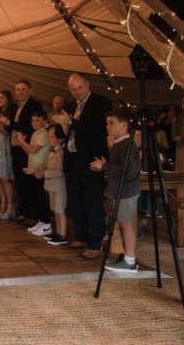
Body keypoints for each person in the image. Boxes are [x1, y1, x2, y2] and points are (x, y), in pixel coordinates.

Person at [52, 73, 112, 260]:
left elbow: (96, 129)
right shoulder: (69, 106)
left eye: (80, 87)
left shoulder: (101, 102)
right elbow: (58, 133)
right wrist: (62, 124)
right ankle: (81, 236)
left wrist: (70, 122)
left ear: (87, 84)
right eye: (73, 89)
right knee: (75, 201)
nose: (77, 91)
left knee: (93, 201)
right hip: (72, 159)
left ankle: (96, 243)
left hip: (92, 160)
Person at [90, 110, 141, 273]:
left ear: (125, 125)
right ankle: (128, 256)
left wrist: (105, 166)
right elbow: (120, 168)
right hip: (120, 191)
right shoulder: (119, 143)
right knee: (124, 224)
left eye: (112, 123)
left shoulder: (127, 144)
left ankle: (130, 261)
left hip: (126, 191)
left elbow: (129, 171)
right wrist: (104, 166)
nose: (108, 126)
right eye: (107, 123)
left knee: (127, 225)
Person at [2, 80, 43, 225]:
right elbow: (11, 129)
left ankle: (34, 215)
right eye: (17, 89)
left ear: (30, 91)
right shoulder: (14, 107)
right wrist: (4, 124)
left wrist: (9, 123)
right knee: (20, 182)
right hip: (15, 148)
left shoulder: (35, 105)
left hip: (27, 149)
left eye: (23, 89)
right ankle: (24, 212)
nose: (19, 92)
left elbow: (30, 127)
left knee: (30, 182)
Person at [18, 111, 51, 237]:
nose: (34, 123)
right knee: (35, 197)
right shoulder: (35, 134)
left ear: (44, 122)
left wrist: (21, 140)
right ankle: (41, 221)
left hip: (39, 170)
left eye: (37, 120)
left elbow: (33, 149)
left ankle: (46, 223)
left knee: (40, 197)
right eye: (33, 120)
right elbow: (30, 152)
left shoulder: (43, 134)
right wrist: (22, 143)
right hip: (32, 169)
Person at [0, 90, 15, 219]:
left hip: (4, 146)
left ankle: (10, 207)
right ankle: (3, 204)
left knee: (5, 179)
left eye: (2, 98)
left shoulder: (10, 113)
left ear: (8, 99)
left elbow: (7, 133)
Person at [41, 125, 68, 245]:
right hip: (51, 185)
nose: (49, 139)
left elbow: (59, 171)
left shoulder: (61, 152)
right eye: (49, 136)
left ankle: (63, 235)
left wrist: (44, 173)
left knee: (60, 210)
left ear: (60, 138)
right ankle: (58, 232)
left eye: (52, 136)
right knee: (55, 211)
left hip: (59, 186)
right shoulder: (50, 151)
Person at [172, 96, 184, 175]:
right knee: (182, 172)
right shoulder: (177, 119)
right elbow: (173, 136)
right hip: (181, 147)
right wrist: (181, 138)